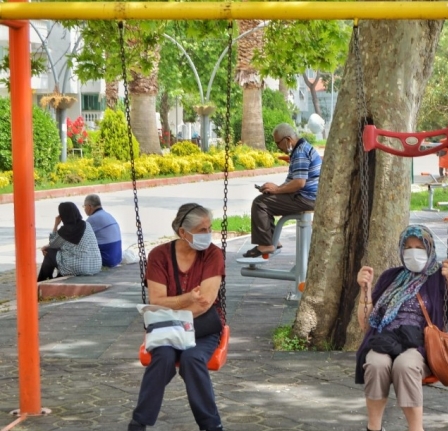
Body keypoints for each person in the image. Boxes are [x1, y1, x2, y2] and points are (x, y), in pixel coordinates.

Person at [355, 225, 448, 431]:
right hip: (386, 339)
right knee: (375, 364)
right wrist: (365, 289)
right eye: (408, 247)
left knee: (405, 365)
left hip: (419, 344)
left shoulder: (440, 277)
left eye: (419, 246)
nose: (413, 252)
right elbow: (366, 323)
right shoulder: (390, 277)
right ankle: (373, 428)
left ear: (430, 249)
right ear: (401, 250)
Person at [128, 203, 225, 431]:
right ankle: (138, 423)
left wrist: (173, 306)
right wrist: (187, 298)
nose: (208, 234)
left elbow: (206, 302)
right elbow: (156, 300)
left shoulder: (213, 254)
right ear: (183, 233)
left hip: (202, 328)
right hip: (167, 327)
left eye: (210, 228)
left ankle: (211, 426)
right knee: (162, 358)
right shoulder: (160, 255)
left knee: (192, 360)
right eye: (202, 230)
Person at [243, 123, 322, 257]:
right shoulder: (301, 149)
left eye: (278, 143)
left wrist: (277, 190)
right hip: (307, 196)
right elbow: (293, 181)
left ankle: (266, 245)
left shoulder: (301, 152)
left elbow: (299, 183)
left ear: (287, 140)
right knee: (265, 200)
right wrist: (274, 188)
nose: (278, 147)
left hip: (306, 198)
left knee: (260, 203)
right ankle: (273, 241)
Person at [38, 202, 102, 282]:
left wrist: (55, 225)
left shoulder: (65, 231)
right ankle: (57, 277)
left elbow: (53, 244)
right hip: (95, 266)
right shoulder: (87, 225)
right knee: (64, 251)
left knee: (49, 252)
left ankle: (42, 281)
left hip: (79, 268)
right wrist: (49, 245)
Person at [83, 194, 123, 267]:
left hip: (106, 259)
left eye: (84, 206)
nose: (84, 209)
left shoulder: (92, 219)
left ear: (89, 206)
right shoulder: (108, 215)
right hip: (117, 258)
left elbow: (81, 239)